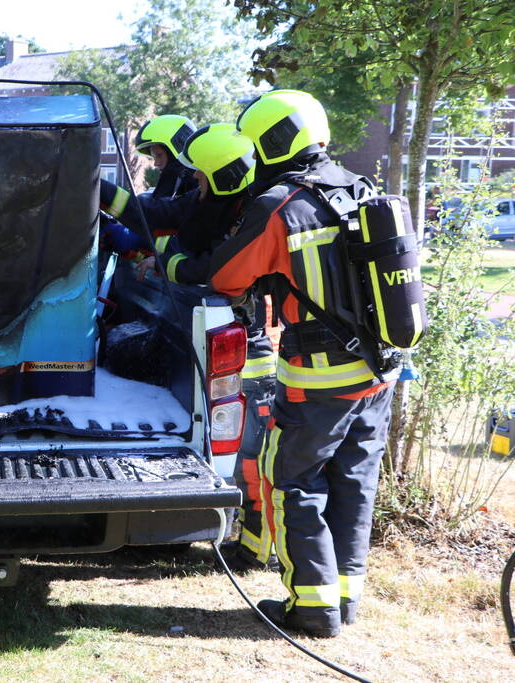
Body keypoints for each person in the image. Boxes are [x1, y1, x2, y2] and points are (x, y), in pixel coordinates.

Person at [209, 90, 397, 637]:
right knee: (354, 481)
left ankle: (313, 610)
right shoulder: (360, 189)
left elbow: (226, 277)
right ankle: (345, 600)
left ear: (271, 141)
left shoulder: (282, 206)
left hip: (320, 375)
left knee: (295, 480)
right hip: (379, 370)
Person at [131, 123, 280, 573]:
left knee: (260, 452)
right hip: (247, 342)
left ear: (221, 177)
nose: (193, 181)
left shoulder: (251, 215)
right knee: (252, 453)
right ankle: (251, 544)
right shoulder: (231, 207)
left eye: (200, 176)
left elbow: (216, 272)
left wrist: (170, 262)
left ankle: (257, 550)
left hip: (256, 347)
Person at [98, 114, 198, 256]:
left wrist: (96, 187)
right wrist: (131, 251)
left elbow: (154, 217)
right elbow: (163, 259)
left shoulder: (196, 192)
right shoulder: (183, 190)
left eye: (158, 155)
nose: (156, 163)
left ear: (176, 149)